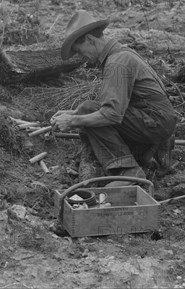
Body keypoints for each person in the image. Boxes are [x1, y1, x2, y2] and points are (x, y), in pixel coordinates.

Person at [51, 11, 177, 186]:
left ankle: (128, 171)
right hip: (155, 119)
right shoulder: (120, 54)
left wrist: (73, 121)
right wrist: (74, 113)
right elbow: (119, 104)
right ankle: (146, 153)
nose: (82, 58)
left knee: (88, 111)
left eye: (80, 52)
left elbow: (111, 114)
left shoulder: (117, 62)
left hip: (155, 122)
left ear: (90, 40)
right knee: (86, 109)